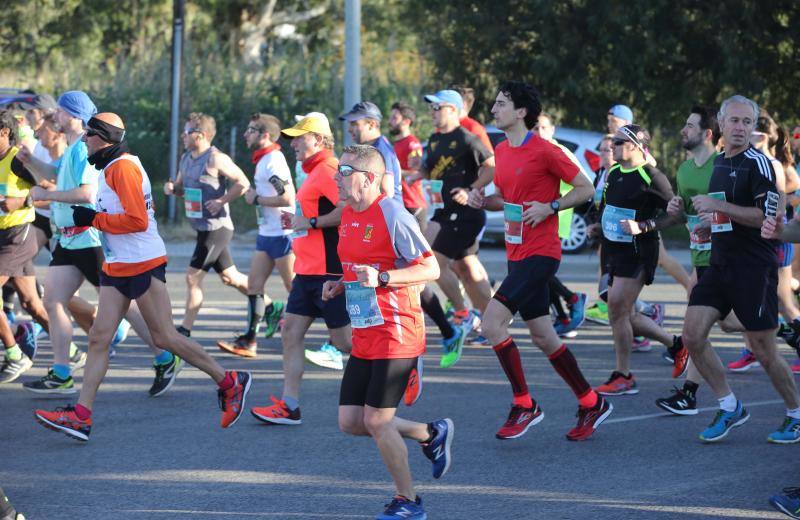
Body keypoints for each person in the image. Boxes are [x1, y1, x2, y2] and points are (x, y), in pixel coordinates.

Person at [34, 112, 251, 441]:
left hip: (142, 263)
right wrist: (91, 220)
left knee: (164, 337)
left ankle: (229, 382)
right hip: (117, 263)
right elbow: (118, 214)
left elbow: (136, 220)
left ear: (103, 138)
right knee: (98, 338)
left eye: (88, 135)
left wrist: (94, 220)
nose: (83, 141)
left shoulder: (123, 167)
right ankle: (81, 415)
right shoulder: (111, 166)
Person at [468, 81, 612, 441]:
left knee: (491, 324)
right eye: (495, 104)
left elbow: (585, 188)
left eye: (501, 104)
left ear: (521, 112)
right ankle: (592, 401)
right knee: (544, 337)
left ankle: (524, 403)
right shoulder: (502, 151)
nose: (493, 110)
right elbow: (505, 198)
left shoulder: (546, 150)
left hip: (542, 253)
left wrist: (550, 206)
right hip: (517, 254)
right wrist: (483, 202)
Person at [19, 91, 176, 397]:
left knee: (125, 306)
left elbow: (86, 194)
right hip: (69, 238)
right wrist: (31, 161)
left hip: (87, 237)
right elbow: (57, 175)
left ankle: (165, 355)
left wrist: (47, 196)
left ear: (75, 115)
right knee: (53, 300)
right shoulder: (76, 147)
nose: (55, 118)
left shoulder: (84, 148)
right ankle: (63, 371)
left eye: (60, 113)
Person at [332, 144, 453, 520]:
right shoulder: (349, 214)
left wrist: (384, 277)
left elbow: (430, 269)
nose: (337, 177)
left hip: (397, 332)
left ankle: (409, 501)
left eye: (345, 171)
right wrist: (340, 283)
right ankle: (430, 434)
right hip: (366, 331)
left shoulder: (393, 214)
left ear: (368, 178)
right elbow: (360, 266)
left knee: (378, 420)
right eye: (338, 170)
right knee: (351, 421)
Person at [683, 95, 800, 443]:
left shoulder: (760, 164)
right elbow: (729, 215)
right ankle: (730, 405)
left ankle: (795, 413)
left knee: (763, 350)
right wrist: (709, 225)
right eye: (734, 121)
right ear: (720, 122)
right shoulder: (720, 162)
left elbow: (768, 218)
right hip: (719, 264)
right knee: (692, 335)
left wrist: (719, 205)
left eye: (747, 123)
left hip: (753, 267)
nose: (740, 128)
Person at [249, 114, 352, 425]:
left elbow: (346, 210)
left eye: (298, 137)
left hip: (329, 270)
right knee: (290, 332)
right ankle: (290, 406)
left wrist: (309, 222)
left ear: (318, 140)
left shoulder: (329, 169)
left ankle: (402, 361)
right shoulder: (312, 172)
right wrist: (298, 221)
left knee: (346, 343)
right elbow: (313, 214)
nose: (292, 143)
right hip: (306, 270)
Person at [655, 105, 747, 415]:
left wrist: (716, 218)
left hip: (727, 256)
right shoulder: (683, 170)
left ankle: (690, 393)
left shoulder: (725, 166)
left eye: (690, 126)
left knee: (702, 328)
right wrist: (676, 212)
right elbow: (687, 217)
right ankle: (771, 325)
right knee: (710, 327)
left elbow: (740, 213)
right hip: (700, 256)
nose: (684, 130)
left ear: (708, 134)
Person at [594, 124, 685, 396]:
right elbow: (608, 208)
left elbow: (676, 215)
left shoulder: (651, 176)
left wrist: (643, 226)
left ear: (634, 145)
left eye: (619, 142)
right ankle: (676, 344)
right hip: (614, 252)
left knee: (616, 312)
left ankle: (623, 375)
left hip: (638, 253)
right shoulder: (614, 172)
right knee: (627, 315)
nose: (612, 147)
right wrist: (597, 228)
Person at [421, 89, 495, 367]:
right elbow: (431, 171)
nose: (433, 113)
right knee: (466, 268)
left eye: (438, 107)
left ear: (453, 109)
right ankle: (490, 321)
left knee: (435, 262)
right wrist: (418, 172)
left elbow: (491, 167)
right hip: (442, 210)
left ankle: (463, 314)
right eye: (431, 108)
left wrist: (471, 188)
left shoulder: (466, 138)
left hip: (465, 214)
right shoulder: (434, 139)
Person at [163, 112, 250, 337]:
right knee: (230, 277)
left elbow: (243, 182)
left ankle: (185, 331)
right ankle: (269, 306)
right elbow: (181, 188)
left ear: (200, 135)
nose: (183, 136)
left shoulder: (215, 158)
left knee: (192, 277)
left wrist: (222, 200)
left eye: (186, 132)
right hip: (201, 228)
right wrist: (173, 189)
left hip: (217, 228)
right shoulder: (186, 158)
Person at [217, 113, 294, 358]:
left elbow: (287, 197)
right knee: (254, 285)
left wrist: (257, 198)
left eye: (251, 130)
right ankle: (249, 341)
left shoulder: (273, 160)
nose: (245, 134)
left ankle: (340, 335)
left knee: (297, 289)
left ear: (265, 135)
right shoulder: (263, 160)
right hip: (267, 233)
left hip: (283, 234)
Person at [0, 110, 50, 384]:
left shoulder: (17, 159)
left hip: (18, 234)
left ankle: (14, 354)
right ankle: (72, 351)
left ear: (4, 132)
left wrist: (21, 202)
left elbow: (50, 191)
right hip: (2, 237)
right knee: (32, 304)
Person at [531, 113, 589, 337]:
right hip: (535, 218)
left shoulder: (559, 151)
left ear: (553, 129)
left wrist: (553, 204)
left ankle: (572, 299)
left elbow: (582, 183)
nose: (540, 132)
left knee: (538, 271)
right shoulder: (534, 150)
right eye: (535, 128)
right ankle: (563, 316)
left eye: (544, 128)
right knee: (539, 272)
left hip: (555, 217)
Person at [339, 101, 402, 203]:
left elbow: (387, 193)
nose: (349, 129)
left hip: (387, 216)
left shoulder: (380, 149)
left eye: (354, 124)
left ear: (371, 124)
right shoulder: (374, 147)